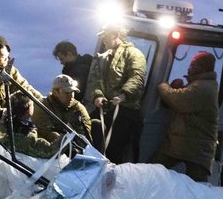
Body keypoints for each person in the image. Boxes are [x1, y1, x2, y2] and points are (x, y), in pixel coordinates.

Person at [149, 51, 219, 183]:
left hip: (196, 148)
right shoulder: (200, 84)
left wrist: (163, 85)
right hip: (187, 144)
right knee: (154, 169)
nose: (189, 67)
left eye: (193, 65)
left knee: (196, 188)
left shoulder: (204, 87)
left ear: (203, 67)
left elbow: (178, 100)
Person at [88, 26, 147, 163]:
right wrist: (98, 96)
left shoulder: (134, 54)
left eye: (105, 36)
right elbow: (95, 79)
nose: (102, 39)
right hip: (104, 109)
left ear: (115, 34)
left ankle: (111, 181)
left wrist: (123, 95)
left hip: (125, 110)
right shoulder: (102, 57)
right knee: (89, 137)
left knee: (114, 150)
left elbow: (137, 77)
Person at [0, 93, 60, 159]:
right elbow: (50, 151)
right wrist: (65, 137)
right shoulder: (25, 137)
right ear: (28, 111)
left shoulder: (2, 125)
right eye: (32, 105)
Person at [36, 74, 92, 144]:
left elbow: (85, 130)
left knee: (96, 124)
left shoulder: (78, 107)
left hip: (76, 146)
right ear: (55, 92)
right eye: (67, 93)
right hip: (52, 148)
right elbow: (45, 130)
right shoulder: (42, 105)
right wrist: (64, 142)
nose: (71, 96)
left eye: (72, 92)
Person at [52, 41, 94, 109]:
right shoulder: (90, 62)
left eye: (62, 59)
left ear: (69, 54)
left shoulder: (73, 70)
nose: (61, 62)